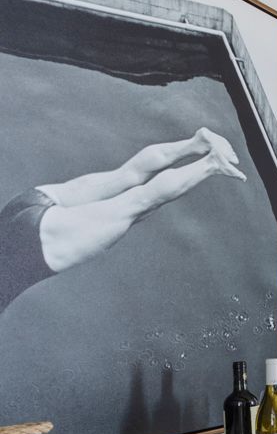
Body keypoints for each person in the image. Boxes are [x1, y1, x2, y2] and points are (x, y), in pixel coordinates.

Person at [0, 127, 245, 316]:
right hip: (19, 209)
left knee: (140, 204)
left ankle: (211, 163)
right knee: (127, 175)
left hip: (37, 246)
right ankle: (197, 143)